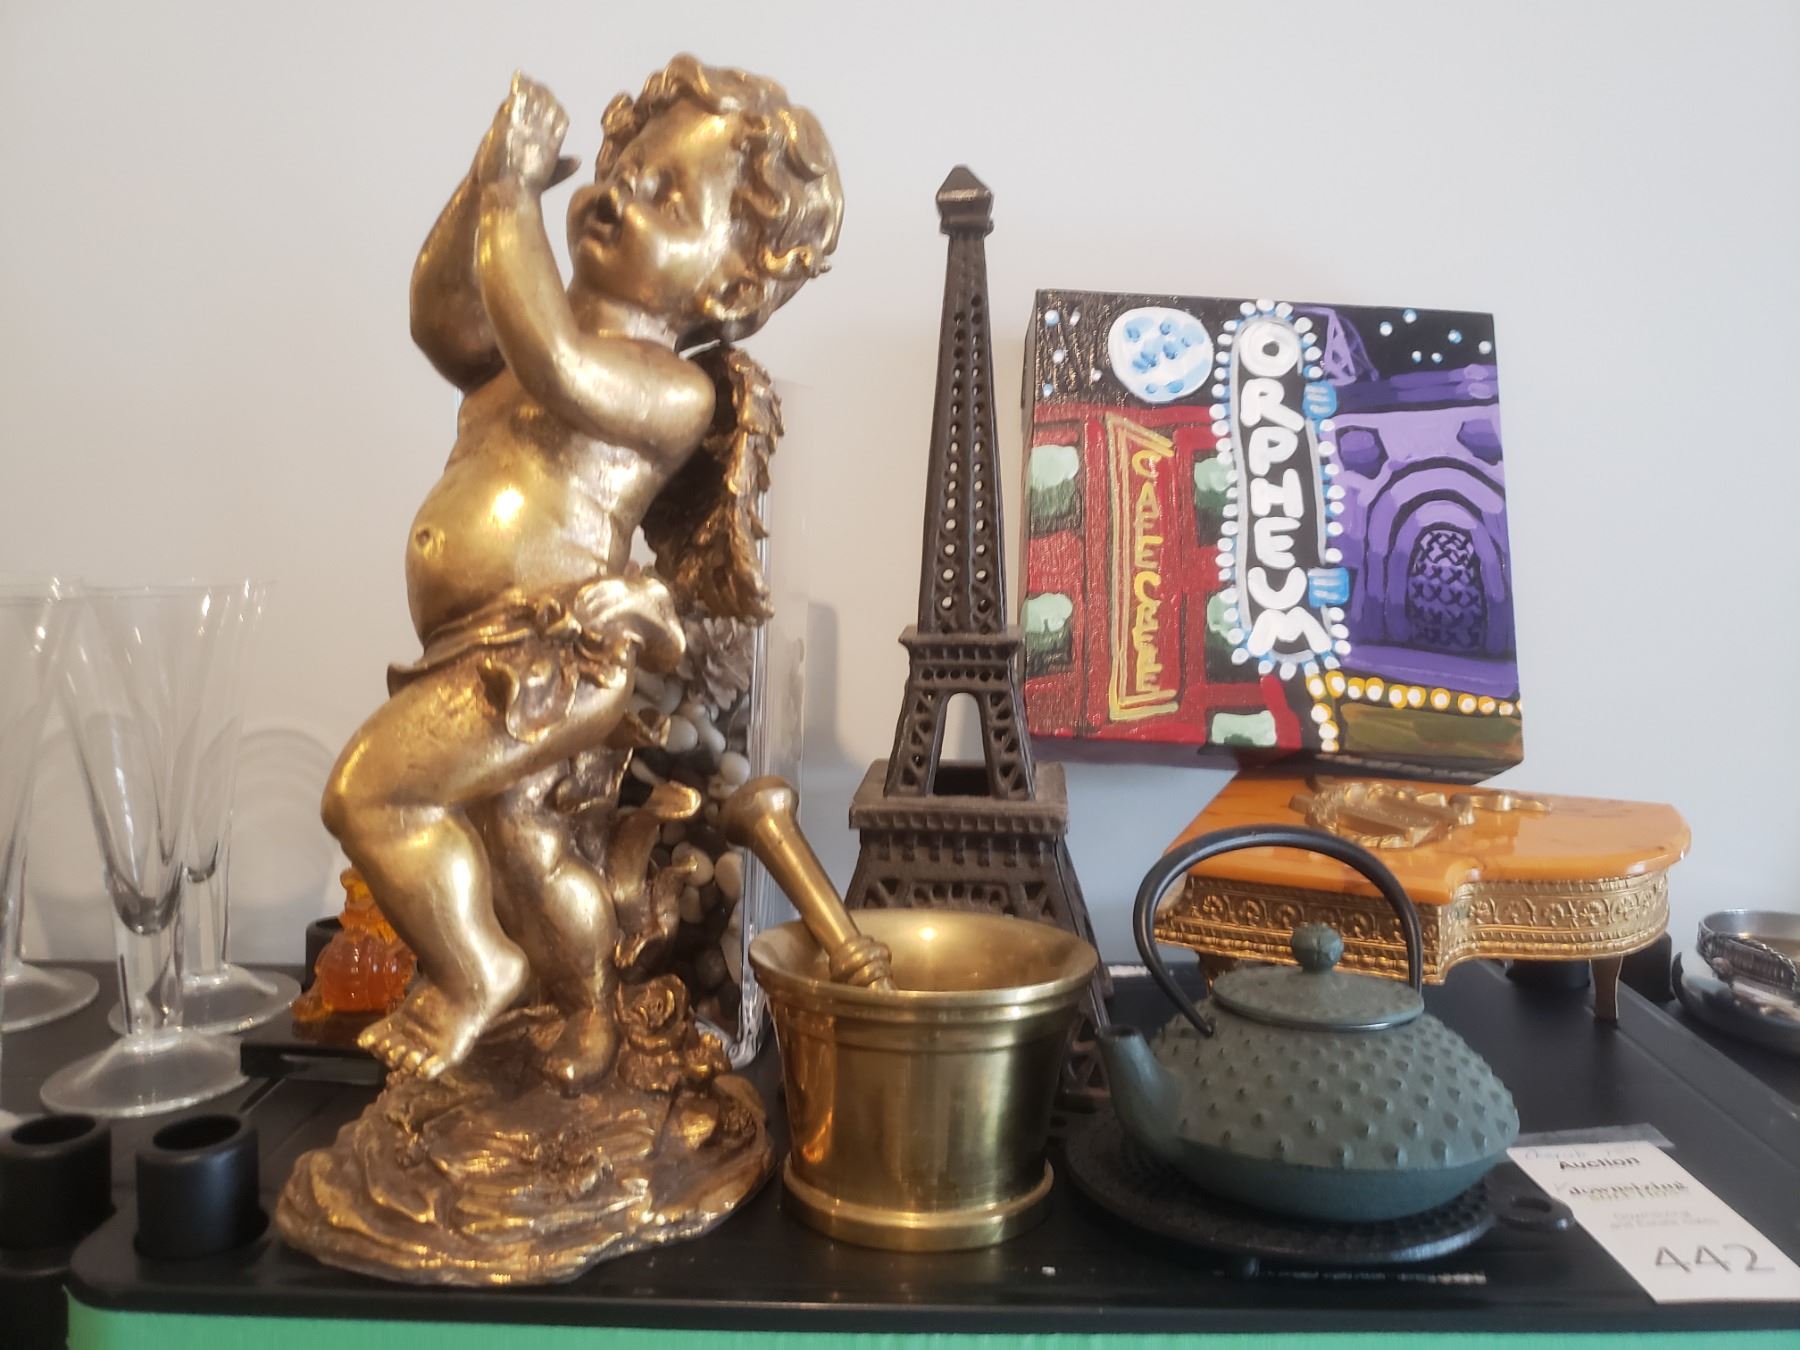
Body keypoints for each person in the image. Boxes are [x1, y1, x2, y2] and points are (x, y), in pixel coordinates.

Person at [322, 56, 841, 1087]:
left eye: (664, 196)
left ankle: (474, 973)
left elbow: (554, 360)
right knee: (520, 843)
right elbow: (440, 319)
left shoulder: (666, 386)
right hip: (481, 646)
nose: (618, 194)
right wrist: (482, 183)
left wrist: (512, 200)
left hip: (554, 651)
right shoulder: (515, 345)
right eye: (620, 170)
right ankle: (585, 1009)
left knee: (370, 795)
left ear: (731, 285)